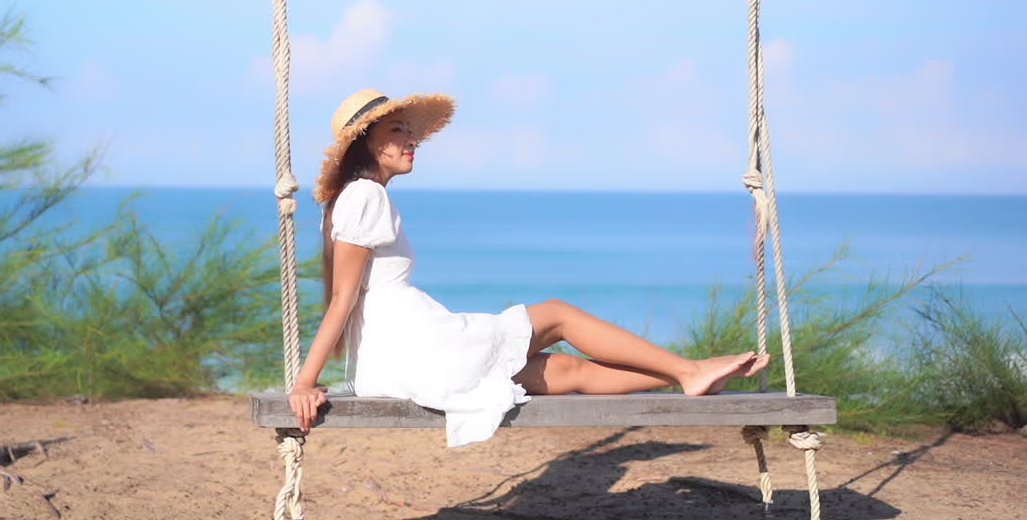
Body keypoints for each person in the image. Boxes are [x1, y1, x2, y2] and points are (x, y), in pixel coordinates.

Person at [288, 89, 769, 446]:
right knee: (557, 314)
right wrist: (306, 382)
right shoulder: (365, 196)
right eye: (398, 131)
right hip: (415, 348)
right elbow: (342, 299)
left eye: (410, 132)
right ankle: (687, 371)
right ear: (367, 142)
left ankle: (690, 373)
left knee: (566, 369)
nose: (411, 139)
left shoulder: (358, 199)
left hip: (403, 353)